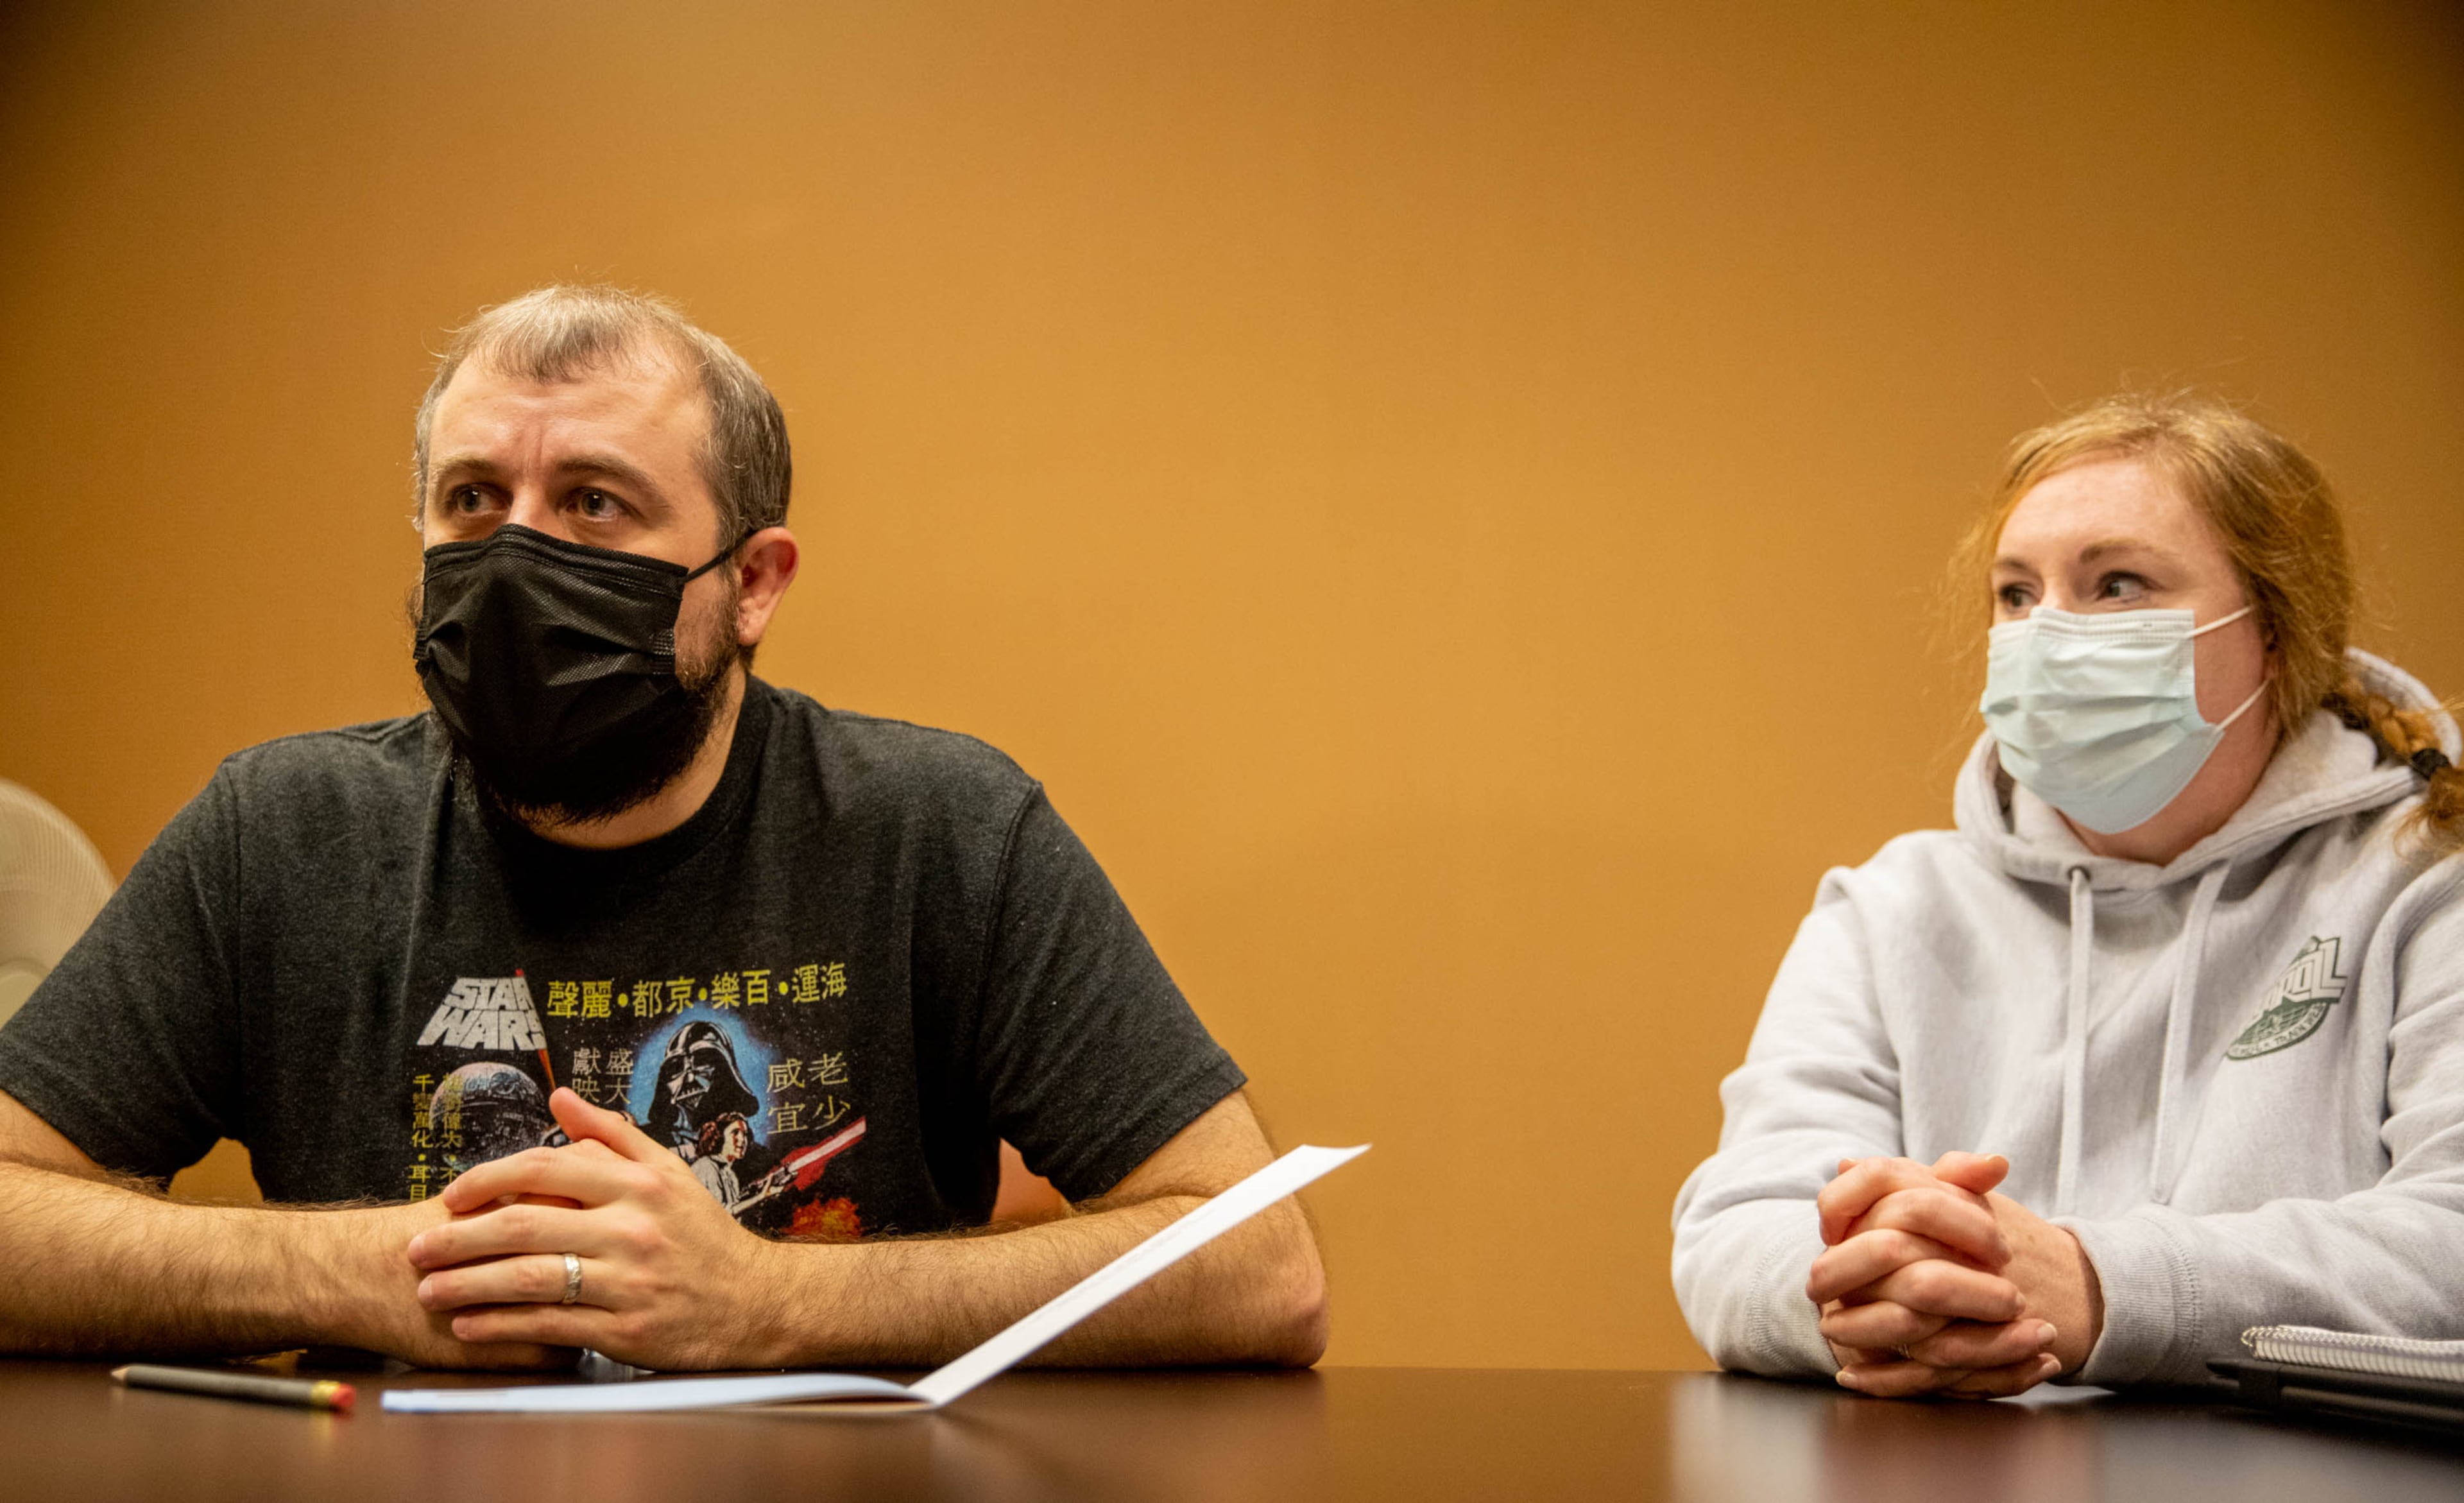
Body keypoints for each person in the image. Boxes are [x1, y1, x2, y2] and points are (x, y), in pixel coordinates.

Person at [0, 285, 1328, 1371]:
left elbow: (1256, 1266)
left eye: (592, 502)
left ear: (752, 582)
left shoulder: (941, 829)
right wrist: (347, 1269)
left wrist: (769, 1300)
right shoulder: (282, 835)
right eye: (472, 500)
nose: (516, 559)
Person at [1672, 393, 2464, 1397]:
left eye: (2116, 583)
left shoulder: (2427, 877)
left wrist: (2100, 1284)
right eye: (2015, 593)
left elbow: (2451, 1239)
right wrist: (1871, 1291)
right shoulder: (1891, 907)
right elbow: (1737, 1225)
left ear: (2272, 627)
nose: (2046, 633)